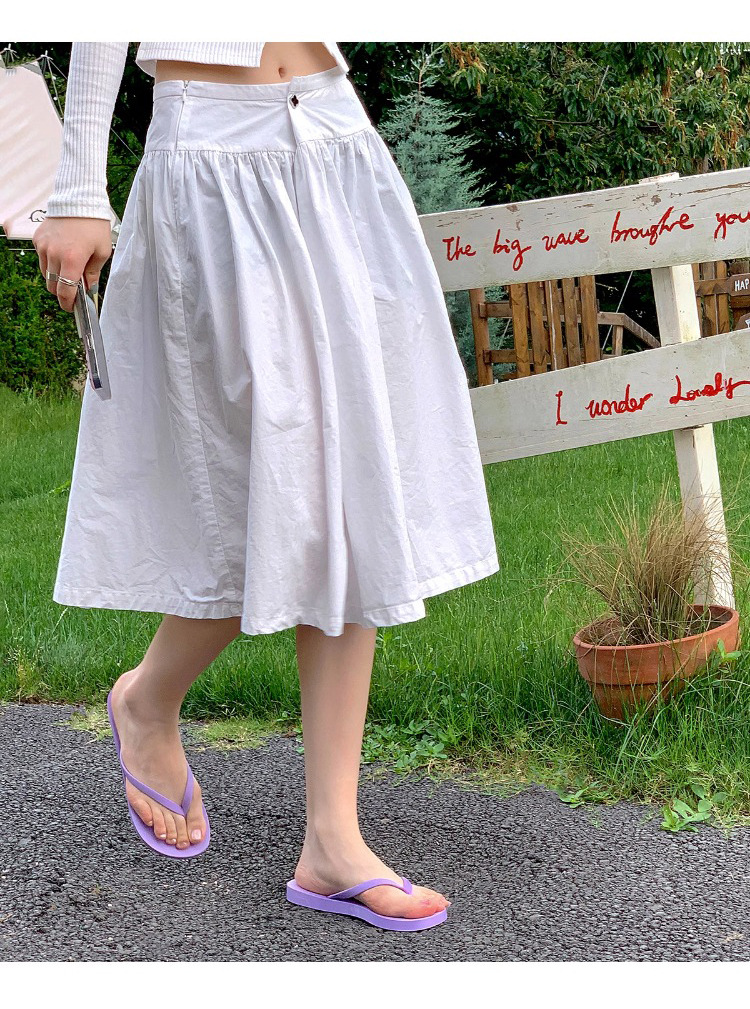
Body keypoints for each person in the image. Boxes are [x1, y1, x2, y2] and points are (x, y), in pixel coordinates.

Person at [33, 41, 500, 932]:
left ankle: (332, 838)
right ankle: (148, 698)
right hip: (210, 161)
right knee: (265, 499)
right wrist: (78, 185)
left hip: (332, 133)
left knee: (353, 488)